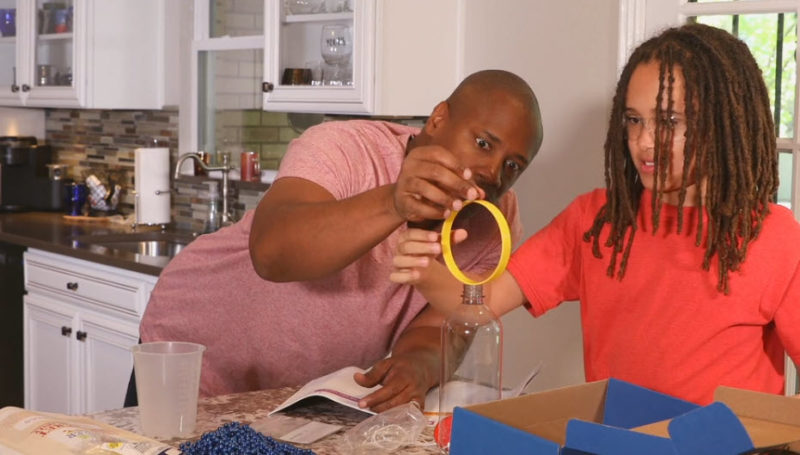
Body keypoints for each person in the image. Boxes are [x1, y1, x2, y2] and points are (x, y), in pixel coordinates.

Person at [391, 23, 800, 406]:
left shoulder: (776, 238)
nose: (643, 141)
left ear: (725, 124)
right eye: (634, 120)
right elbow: (483, 302)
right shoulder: (595, 221)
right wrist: (425, 269)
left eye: (668, 121)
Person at [137, 69, 544, 412]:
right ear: (438, 119)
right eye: (483, 143)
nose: (493, 172)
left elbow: (443, 322)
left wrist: (417, 366)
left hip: (298, 396)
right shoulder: (343, 147)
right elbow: (273, 252)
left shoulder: (497, 222)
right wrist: (394, 202)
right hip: (194, 356)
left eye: (513, 165)